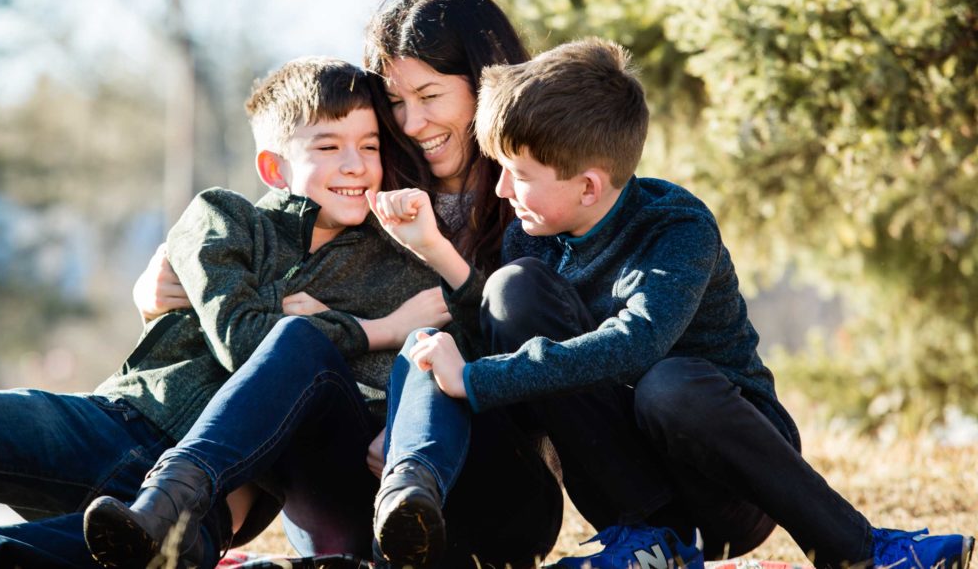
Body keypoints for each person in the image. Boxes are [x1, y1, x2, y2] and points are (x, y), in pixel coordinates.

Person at [369, 37, 976, 569]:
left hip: (728, 490)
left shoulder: (675, 228)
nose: (501, 188)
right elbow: (509, 341)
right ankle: (644, 545)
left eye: (518, 173)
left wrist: (474, 378)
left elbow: (635, 344)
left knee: (669, 383)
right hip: (627, 491)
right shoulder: (531, 235)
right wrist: (434, 264)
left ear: (588, 186)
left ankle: (862, 550)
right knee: (511, 289)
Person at [105, 0, 564, 569]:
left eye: (429, 96)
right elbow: (275, 246)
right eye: (395, 103)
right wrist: (165, 290)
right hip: (352, 479)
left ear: (484, 82)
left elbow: (525, 341)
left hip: (485, 469)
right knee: (299, 345)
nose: (413, 123)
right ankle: (174, 501)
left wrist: (411, 420)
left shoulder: (539, 194)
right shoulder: (375, 177)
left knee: (431, 346)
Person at [0, 57, 450, 569]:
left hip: (210, 502)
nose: (355, 164)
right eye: (329, 146)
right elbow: (242, 338)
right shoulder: (223, 217)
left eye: (369, 146)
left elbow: (378, 389)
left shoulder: (393, 268)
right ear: (274, 168)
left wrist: (317, 332)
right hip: (123, 424)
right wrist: (370, 330)